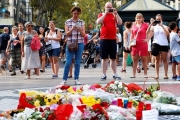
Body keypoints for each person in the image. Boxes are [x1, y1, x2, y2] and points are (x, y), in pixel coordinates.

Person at [97, 2, 122, 80]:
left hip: (113, 39)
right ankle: (104, 74)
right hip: (104, 39)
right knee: (104, 58)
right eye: (107, 7)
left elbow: (120, 22)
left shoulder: (114, 15)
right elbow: (98, 22)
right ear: (105, 7)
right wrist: (105, 13)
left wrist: (116, 13)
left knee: (113, 58)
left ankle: (114, 73)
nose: (109, 9)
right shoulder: (101, 15)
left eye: (110, 7)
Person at [60, 6, 85, 85]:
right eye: (74, 13)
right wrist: (72, 29)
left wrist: (80, 29)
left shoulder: (82, 22)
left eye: (77, 13)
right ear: (72, 13)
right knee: (68, 62)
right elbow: (66, 34)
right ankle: (64, 79)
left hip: (80, 43)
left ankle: (76, 78)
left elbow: (84, 35)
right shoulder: (68, 22)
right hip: (70, 43)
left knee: (77, 62)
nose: (76, 15)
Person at [147, 14, 169, 79]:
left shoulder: (165, 26)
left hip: (164, 44)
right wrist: (151, 24)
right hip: (156, 43)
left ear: (162, 19)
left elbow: (167, 34)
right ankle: (157, 74)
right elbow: (147, 33)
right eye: (157, 19)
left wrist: (162, 26)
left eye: (159, 19)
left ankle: (166, 74)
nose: (158, 20)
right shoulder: (153, 27)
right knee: (157, 60)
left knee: (164, 59)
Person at [130, 13, 150, 78]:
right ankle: (133, 74)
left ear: (142, 19)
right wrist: (130, 43)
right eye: (137, 18)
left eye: (140, 18)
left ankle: (145, 74)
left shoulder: (145, 25)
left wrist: (147, 39)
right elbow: (132, 35)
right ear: (135, 18)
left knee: (144, 59)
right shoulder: (133, 25)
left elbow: (151, 31)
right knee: (135, 59)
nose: (138, 19)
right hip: (135, 44)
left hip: (143, 44)